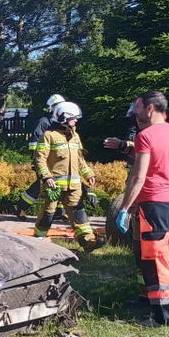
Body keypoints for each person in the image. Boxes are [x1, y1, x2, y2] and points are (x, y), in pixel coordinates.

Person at [116, 90, 169, 326]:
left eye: (138, 107)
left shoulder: (146, 136)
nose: (136, 112)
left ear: (149, 108)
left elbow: (138, 176)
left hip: (152, 204)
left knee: (154, 260)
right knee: (161, 255)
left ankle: (164, 318)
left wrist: (124, 207)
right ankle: (157, 306)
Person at [33, 101, 101, 251]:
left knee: (79, 214)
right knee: (47, 215)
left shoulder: (75, 136)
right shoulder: (48, 135)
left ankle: (88, 242)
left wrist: (88, 173)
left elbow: (80, 159)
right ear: (63, 117)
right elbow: (40, 159)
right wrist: (46, 177)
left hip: (74, 186)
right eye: (74, 118)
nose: (76, 120)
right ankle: (38, 242)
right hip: (54, 187)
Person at [17, 94, 66, 216]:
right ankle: (20, 206)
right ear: (51, 107)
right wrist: (37, 160)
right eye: (56, 106)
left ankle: (60, 211)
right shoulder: (43, 122)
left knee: (60, 183)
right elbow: (34, 143)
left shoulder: (61, 123)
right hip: (44, 161)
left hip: (57, 161)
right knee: (40, 186)